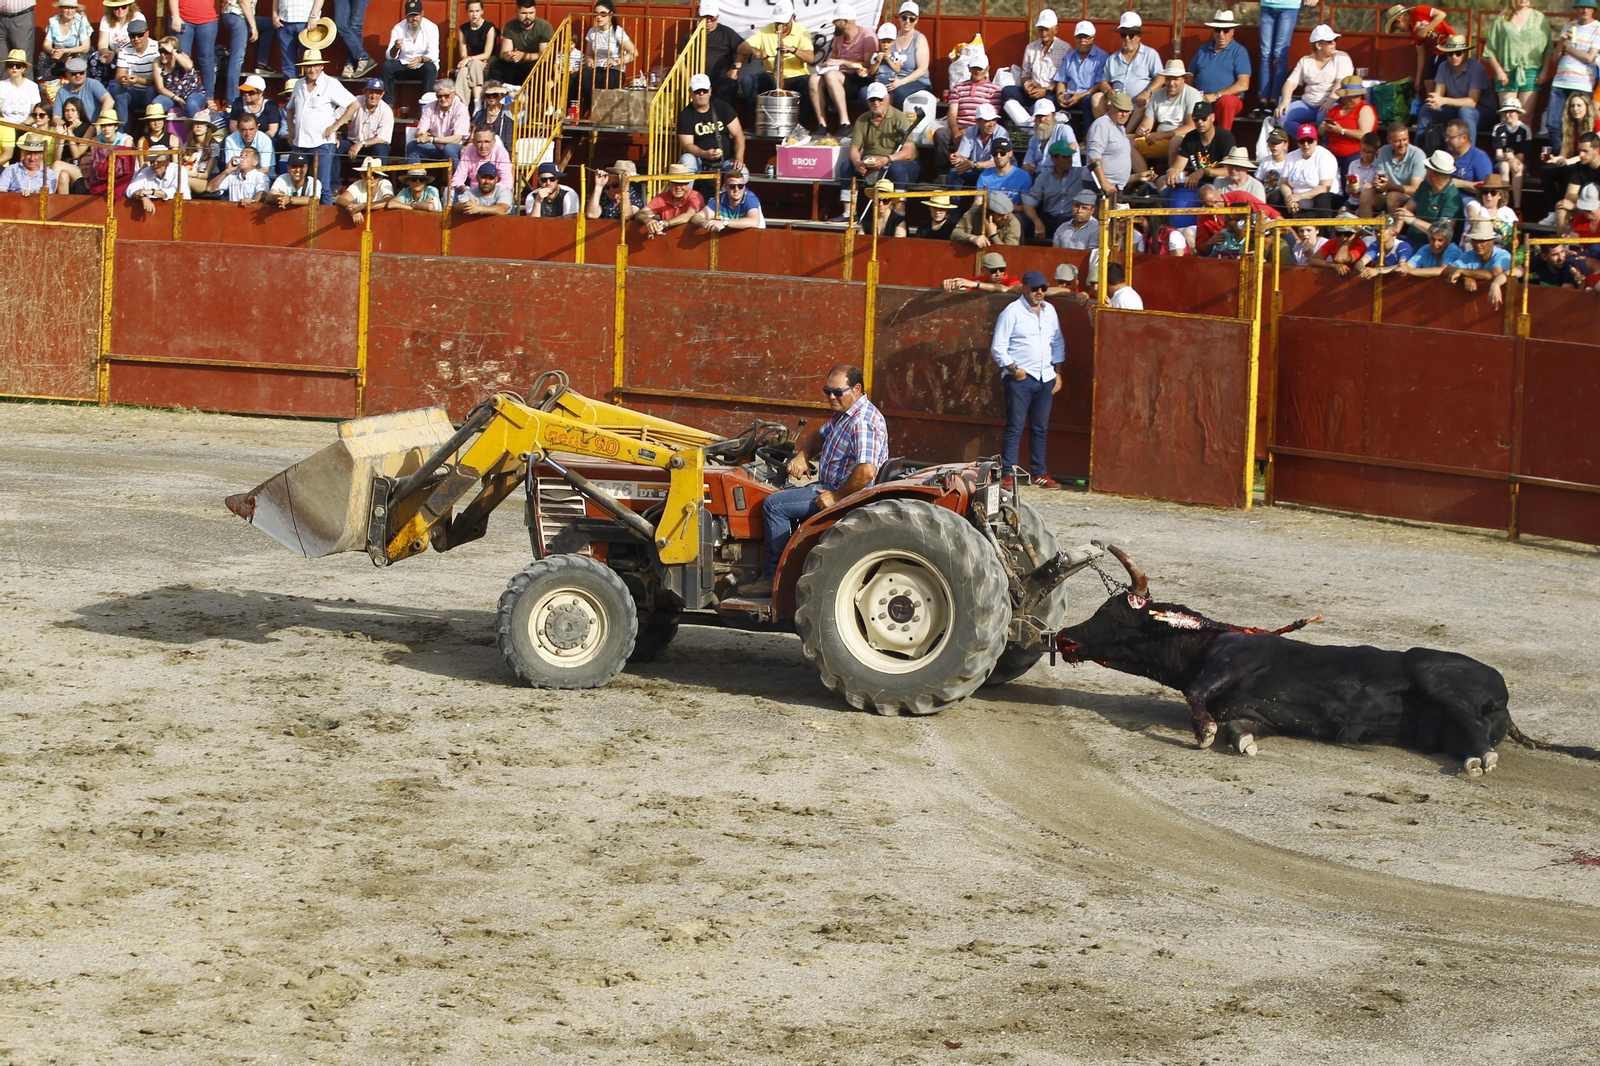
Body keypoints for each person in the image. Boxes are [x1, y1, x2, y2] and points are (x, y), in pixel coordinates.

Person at [735, 363, 887, 598]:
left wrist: (836, 497)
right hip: (829, 487)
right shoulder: (844, 414)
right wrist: (803, 456)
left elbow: (866, 471)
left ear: (857, 389)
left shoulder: (861, 421)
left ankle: (772, 578)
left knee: (774, 505)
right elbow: (819, 435)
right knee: (784, 496)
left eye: (838, 392)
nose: (832, 397)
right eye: (827, 392)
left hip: (844, 494)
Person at [991, 270, 1065, 490]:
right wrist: (1014, 369)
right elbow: (998, 346)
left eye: (1043, 288)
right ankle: (1007, 473)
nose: (1040, 292)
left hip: (1045, 375)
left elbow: (1057, 342)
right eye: (1035, 288)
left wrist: (1058, 371)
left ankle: (1039, 472)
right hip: (1021, 377)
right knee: (1015, 426)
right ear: (1025, 288)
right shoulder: (1012, 311)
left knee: (1040, 427)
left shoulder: (1050, 311)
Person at [833, 81, 916, 219]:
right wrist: (858, 162)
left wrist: (887, 159)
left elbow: (908, 152)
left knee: (897, 167)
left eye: (879, 99)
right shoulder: (862, 120)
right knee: (847, 165)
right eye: (872, 100)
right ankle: (849, 213)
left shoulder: (900, 118)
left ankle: (899, 214)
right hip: (871, 162)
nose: (876, 103)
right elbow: (854, 148)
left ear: (887, 98)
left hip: (898, 162)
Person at [286, 47, 356, 203]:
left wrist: (335, 127)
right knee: (298, 184)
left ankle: (324, 219)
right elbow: (290, 109)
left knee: (322, 185)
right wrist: (291, 130)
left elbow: (354, 104)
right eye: (309, 66)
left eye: (315, 65)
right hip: (300, 142)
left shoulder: (331, 83)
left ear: (321, 66)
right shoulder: (298, 84)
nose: (312, 69)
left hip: (322, 143)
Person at [1482, 0, 1551, 123]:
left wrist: (1545, 70)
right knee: (1506, 115)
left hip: (1531, 70)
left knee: (1525, 116)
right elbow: (1489, 50)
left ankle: (1524, 142)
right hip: (1506, 71)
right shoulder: (1502, 19)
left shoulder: (1539, 18)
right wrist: (1499, 71)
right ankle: (1505, 142)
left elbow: (1548, 48)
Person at [934, 53, 1000, 179]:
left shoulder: (994, 90)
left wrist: (969, 130)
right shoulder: (959, 87)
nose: (978, 71)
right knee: (941, 134)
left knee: (973, 136)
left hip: (981, 126)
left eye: (981, 68)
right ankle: (943, 173)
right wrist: (955, 131)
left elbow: (993, 115)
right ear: (969, 68)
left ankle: (966, 170)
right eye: (975, 67)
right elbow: (952, 112)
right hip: (959, 124)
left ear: (987, 69)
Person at [735, 1, 812, 109]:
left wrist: (793, 50)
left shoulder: (801, 31)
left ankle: (800, 122)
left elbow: (810, 58)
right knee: (748, 81)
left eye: (785, 22)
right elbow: (742, 48)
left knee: (808, 82)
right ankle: (758, 120)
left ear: (793, 17)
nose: (781, 25)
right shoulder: (766, 30)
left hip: (795, 77)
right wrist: (755, 51)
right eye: (778, 22)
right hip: (772, 75)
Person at [1545, 0, 1600, 149]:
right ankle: (1560, 160)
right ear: (1576, 8)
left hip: (1582, 82)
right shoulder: (1569, 26)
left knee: (1582, 125)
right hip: (1560, 81)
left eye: (1589, 7)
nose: (1585, 10)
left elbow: (1590, 57)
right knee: (1552, 124)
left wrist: (1568, 49)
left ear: (1594, 9)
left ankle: (1580, 159)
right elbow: (1556, 58)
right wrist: (1563, 40)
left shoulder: (1597, 28)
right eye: (1582, 6)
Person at [810, 10, 874, 134]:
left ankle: (845, 123)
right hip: (839, 75)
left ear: (845, 22)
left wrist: (843, 62)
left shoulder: (867, 35)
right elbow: (834, 59)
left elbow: (869, 64)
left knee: (831, 75)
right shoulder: (838, 38)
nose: (834, 24)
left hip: (859, 76)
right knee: (814, 78)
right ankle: (822, 124)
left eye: (835, 21)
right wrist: (828, 64)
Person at [1000, 8, 1068, 126]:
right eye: (1040, 29)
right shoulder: (1031, 48)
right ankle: (1027, 124)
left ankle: (1025, 124)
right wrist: (1027, 84)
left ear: (1055, 30)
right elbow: (1025, 74)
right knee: (1007, 91)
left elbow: (1065, 80)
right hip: (1033, 91)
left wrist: (1046, 89)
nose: (1043, 33)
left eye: (1047, 29)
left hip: (1051, 94)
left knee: (1037, 108)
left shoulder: (1065, 49)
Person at [1276, 25, 1351, 132]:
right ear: (1319, 45)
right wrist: (1285, 101)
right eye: (1329, 41)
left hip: (1332, 102)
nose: (1334, 43)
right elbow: (1291, 83)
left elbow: (1341, 82)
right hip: (1307, 103)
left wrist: (1330, 101)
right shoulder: (1305, 61)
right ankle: (1307, 140)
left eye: (1335, 40)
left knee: (1326, 119)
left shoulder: (1342, 57)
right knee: (1281, 117)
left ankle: (1323, 146)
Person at [1418, 35, 1489, 144]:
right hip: (1456, 111)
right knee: (1426, 109)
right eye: (1450, 53)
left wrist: (1444, 100)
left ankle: (1468, 153)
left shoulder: (1476, 68)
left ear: (1465, 53)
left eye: (1458, 53)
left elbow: (1472, 102)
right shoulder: (1443, 66)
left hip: (1482, 113)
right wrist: (1434, 102)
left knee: (1465, 111)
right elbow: (1438, 97)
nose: (1454, 56)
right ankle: (1419, 150)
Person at [1188, 9, 1250, 131]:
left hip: (1227, 100)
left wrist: (1216, 96)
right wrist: (1193, 94)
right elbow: (1190, 76)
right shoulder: (1202, 50)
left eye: (1225, 30)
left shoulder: (1239, 51)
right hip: (1202, 98)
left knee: (1226, 102)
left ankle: (1223, 141)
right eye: (1217, 30)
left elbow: (1243, 84)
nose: (1221, 34)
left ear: (1232, 32)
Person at [1103, 11, 1163, 130]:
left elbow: (1161, 78)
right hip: (1116, 102)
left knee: (1146, 102)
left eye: (1131, 35)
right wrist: (1108, 91)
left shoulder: (1150, 54)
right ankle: (1108, 131)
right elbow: (1104, 81)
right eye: (1123, 35)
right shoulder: (1112, 59)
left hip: (1138, 102)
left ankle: (1125, 134)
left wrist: (1148, 91)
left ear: (1139, 36)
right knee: (1096, 99)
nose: (1127, 38)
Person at [571, 0, 633, 116]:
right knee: (574, 77)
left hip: (614, 71)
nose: (599, 17)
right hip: (596, 69)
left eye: (603, 14)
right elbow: (589, 54)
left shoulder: (617, 31)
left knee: (587, 78)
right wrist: (589, 61)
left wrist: (617, 61)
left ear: (610, 15)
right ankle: (572, 112)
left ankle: (587, 112)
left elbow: (633, 52)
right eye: (596, 14)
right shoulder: (592, 32)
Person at [1132, 58, 1199, 164]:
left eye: (1175, 79)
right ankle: (1145, 177)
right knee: (1125, 141)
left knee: (1175, 141)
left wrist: (1163, 135)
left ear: (1183, 79)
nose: (1171, 83)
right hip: (1158, 139)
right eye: (1168, 78)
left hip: (1182, 141)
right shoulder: (1157, 94)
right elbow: (1147, 123)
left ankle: (1171, 177)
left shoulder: (1192, 95)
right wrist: (1142, 130)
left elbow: (1192, 126)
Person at [1381, 4, 1456, 95]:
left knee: (1446, 82)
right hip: (1438, 51)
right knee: (1428, 82)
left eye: (1397, 27)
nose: (1400, 30)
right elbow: (1421, 55)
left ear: (1399, 20)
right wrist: (1418, 79)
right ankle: (1431, 105)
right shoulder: (1414, 32)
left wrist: (1426, 29)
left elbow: (1441, 14)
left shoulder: (1419, 11)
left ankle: (1441, 103)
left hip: (1451, 46)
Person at [677, 71, 743, 174]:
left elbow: (738, 135)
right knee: (687, 159)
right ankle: (687, 190)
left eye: (705, 90)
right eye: (697, 91)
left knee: (743, 173)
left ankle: (725, 190)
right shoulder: (686, 115)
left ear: (710, 91)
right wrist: (705, 154)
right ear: (690, 92)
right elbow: (687, 145)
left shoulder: (722, 107)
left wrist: (739, 159)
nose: (701, 94)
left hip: (725, 162)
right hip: (699, 160)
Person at [1020, 139, 1086, 240]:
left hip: (1072, 218)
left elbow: (1096, 168)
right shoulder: (1044, 177)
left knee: (1063, 222)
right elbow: (1028, 205)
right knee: (1022, 221)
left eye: (1070, 156)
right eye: (1065, 157)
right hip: (1050, 219)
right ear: (1054, 160)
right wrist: (1037, 222)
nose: (1070, 159)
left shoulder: (1081, 173)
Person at [1396, 148, 1464, 243]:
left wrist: (1413, 220)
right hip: (1410, 240)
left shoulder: (1452, 198)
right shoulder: (1425, 184)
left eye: (1426, 167)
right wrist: (1395, 234)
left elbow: (1443, 232)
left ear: (1432, 173)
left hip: (1431, 247)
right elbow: (1406, 210)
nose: (1425, 170)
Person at [870, 0, 929, 108]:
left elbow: (922, 69)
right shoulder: (892, 38)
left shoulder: (919, 39)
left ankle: (894, 121)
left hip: (916, 81)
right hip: (890, 79)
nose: (907, 21)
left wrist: (901, 82)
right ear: (899, 18)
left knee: (899, 93)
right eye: (904, 17)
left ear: (916, 20)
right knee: (866, 92)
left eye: (912, 19)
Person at [1362, 121, 1426, 216]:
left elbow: (1415, 189)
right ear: (1388, 139)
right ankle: (1366, 228)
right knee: (1366, 194)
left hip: (1410, 199)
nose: (1402, 144)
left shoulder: (1418, 155)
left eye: (1405, 139)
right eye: (1397, 141)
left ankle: (1393, 230)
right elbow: (1381, 179)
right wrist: (1379, 185)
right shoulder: (1384, 151)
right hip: (1387, 193)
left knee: (1393, 196)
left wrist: (1390, 186)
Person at [1051, 20, 1108, 127]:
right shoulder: (1069, 57)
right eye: (1079, 37)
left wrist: (1080, 96)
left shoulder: (1102, 57)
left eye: (1086, 37)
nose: (1082, 41)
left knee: (1088, 101)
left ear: (1093, 39)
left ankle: (1086, 136)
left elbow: (1099, 84)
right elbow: (1061, 80)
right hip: (1069, 96)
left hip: (1086, 96)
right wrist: (1060, 95)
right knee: (1048, 101)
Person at [1444, 218, 1511, 307]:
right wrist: (1465, 277)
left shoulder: (1503, 255)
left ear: (1492, 241)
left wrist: (1461, 271)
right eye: (1475, 240)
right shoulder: (1468, 254)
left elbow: (1494, 274)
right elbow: (1447, 270)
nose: (1478, 244)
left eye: (1483, 241)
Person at [382, 0, 438, 104]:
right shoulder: (398, 28)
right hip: (404, 66)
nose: (414, 18)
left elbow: (433, 54)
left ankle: (426, 106)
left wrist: (420, 59)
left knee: (430, 67)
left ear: (422, 14)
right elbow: (389, 56)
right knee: (387, 66)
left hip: (421, 66)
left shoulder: (431, 28)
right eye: (411, 15)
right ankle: (388, 104)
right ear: (406, 16)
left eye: (417, 15)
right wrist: (396, 48)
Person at [1169, 100, 1233, 188]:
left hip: (1218, 182)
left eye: (1204, 118)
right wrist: (1172, 171)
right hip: (1197, 182)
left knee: (1220, 181)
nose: (1200, 122)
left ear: (1212, 117)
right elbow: (1178, 166)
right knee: (1162, 181)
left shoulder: (1225, 137)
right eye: (1196, 118)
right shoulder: (1190, 137)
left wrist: (1204, 171)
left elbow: (1229, 170)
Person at [407, 78, 467, 168]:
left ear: (454, 94)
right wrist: (421, 135)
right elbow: (421, 131)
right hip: (435, 147)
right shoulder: (429, 108)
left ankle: (457, 181)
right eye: (439, 96)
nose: (442, 99)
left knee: (449, 149)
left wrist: (431, 139)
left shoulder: (461, 109)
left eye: (446, 95)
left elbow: (456, 139)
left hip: (455, 146)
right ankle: (415, 177)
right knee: (412, 146)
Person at [1320, 76, 1375, 176]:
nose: (1348, 99)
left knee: (1349, 165)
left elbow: (1364, 135)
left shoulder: (1365, 109)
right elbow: (1320, 131)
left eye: (1352, 96)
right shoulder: (1336, 109)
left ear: (1360, 96)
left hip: (1355, 154)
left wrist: (1341, 131)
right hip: (1332, 152)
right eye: (1346, 96)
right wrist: (1326, 127)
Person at [488, 0, 550, 88]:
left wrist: (524, 56)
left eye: (531, 13)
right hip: (516, 64)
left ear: (535, 10)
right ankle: (494, 95)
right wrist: (508, 55)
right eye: (524, 13)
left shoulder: (544, 26)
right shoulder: (510, 26)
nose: (528, 16)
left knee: (538, 67)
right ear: (516, 11)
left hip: (534, 64)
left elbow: (545, 56)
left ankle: (533, 99)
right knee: (496, 64)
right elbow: (503, 52)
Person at [168, 0, 218, 105]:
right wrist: (175, 16)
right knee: (182, 58)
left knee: (207, 58)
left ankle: (209, 97)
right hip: (183, 18)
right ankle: (182, 96)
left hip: (208, 19)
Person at [634, 162, 704, 238]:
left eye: (682, 183)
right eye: (675, 183)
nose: (678, 187)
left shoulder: (695, 196)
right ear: (669, 183)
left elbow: (689, 215)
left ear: (688, 184)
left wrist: (665, 223)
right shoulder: (662, 197)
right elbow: (640, 213)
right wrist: (648, 221)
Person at [1085, 90, 1134, 197]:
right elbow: (1094, 158)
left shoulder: (1120, 127)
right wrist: (1104, 183)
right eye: (1120, 110)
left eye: (1127, 111)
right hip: (1099, 188)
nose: (1124, 114)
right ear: (1110, 107)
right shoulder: (1102, 124)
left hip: (1114, 188)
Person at [696, 0, 744, 107]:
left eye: (712, 18)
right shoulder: (692, 35)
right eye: (705, 18)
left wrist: (735, 68)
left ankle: (721, 121)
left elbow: (744, 49)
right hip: (698, 78)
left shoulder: (726, 33)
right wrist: (687, 79)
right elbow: (680, 59)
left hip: (720, 77)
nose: (708, 22)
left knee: (728, 86)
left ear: (717, 17)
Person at [340, 77, 390, 177]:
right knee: (332, 147)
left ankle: (378, 181)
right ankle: (334, 186)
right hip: (352, 142)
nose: (374, 96)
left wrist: (361, 143)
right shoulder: (356, 102)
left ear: (382, 94)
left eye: (378, 93)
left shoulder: (386, 111)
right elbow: (335, 117)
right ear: (365, 92)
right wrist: (334, 137)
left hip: (372, 145)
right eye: (371, 92)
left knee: (381, 148)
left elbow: (383, 138)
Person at [1258, 0, 1302, 111]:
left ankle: (1275, 99)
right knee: (1265, 53)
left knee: (1280, 54)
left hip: (1289, 6)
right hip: (1267, 5)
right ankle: (1263, 100)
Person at [945, 100, 1000, 189]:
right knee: (955, 172)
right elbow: (963, 155)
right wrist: (957, 158)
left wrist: (973, 164)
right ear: (978, 121)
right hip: (977, 170)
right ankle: (953, 202)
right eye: (987, 120)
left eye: (994, 120)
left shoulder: (1001, 133)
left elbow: (998, 162)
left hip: (996, 173)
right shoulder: (970, 131)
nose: (991, 124)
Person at [0, 47, 39, 163]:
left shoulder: (32, 87)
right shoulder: (2, 85)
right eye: (11, 65)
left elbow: (35, 113)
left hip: (25, 127)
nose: (14, 68)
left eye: (18, 65)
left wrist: (22, 125)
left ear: (24, 68)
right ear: (7, 68)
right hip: (5, 127)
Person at [37, 0, 92, 81]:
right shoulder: (53, 21)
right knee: (43, 55)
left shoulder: (80, 21)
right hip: (58, 52)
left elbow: (85, 47)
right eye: (67, 8)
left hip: (75, 52)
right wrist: (54, 52)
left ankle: (81, 84)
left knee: (81, 57)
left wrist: (66, 51)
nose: (70, 11)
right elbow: (46, 45)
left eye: (72, 8)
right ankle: (45, 84)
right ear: (61, 8)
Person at [697, 165, 764, 232]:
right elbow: (697, 217)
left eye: (740, 186)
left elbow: (754, 222)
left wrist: (724, 223)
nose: (736, 189)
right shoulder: (719, 199)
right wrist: (704, 223)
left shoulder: (750, 198)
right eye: (732, 186)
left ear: (744, 187)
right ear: (726, 187)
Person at [454, 0, 494, 110]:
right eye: (471, 11)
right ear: (467, 12)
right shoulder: (464, 29)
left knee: (475, 63)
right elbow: (463, 53)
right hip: (472, 64)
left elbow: (487, 54)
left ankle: (477, 104)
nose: (474, 14)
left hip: (486, 64)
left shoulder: (489, 27)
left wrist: (469, 59)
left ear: (482, 11)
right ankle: (462, 107)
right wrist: (468, 60)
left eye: (477, 11)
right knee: (463, 71)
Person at [1491, 101, 1530, 209]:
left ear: (1518, 113)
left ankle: (1517, 207)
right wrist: (1508, 158)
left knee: (1518, 167)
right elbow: (1498, 155)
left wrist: (1511, 158)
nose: (1508, 115)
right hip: (1501, 162)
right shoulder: (1498, 128)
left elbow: (1521, 157)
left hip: (1518, 162)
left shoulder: (1525, 130)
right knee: (1504, 166)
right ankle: (1504, 204)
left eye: (1511, 112)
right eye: (1505, 112)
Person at [1022, 98, 1077, 173]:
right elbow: (1025, 163)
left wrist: (1061, 159)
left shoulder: (1064, 129)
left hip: (1064, 174)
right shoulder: (1034, 139)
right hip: (1040, 177)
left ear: (1054, 116)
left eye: (1046, 115)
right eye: (1038, 116)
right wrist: (1027, 166)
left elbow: (1073, 146)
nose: (1042, 119)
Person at [451, 122, 509, 191]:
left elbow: (507, 181)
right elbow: (457, 178)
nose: (483, 146)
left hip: (494, 192)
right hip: (472, 193)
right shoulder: (468, 152)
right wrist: (464, 190)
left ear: (494, 142)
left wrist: (491, 192)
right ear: (474, 142)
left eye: (486, 142)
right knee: (448, 192)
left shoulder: (501, 152)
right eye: (479, 142)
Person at [52, 54, 112, 122]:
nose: (78, 75)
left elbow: (109, 101)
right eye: (74, 73)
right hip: (71, 129)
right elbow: (56, 118)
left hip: (94, 128)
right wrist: (64, 127)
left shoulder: (93, 84)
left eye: (81, 72)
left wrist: (99, 123)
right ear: (67, 74)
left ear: (86, 73)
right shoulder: (62, 91)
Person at [952, 189, 1020, 248]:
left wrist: (993, 235)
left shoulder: (1013, 223)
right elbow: (955, 234)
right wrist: (972, 238)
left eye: (1007, 214)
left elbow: (1009, 252)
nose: (1005, 217)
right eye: (1000, 215)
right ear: (989, 213)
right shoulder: (974, 213)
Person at [1466, 173, 1518, 247]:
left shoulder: (1507, 212)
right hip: (1475, 246)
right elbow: (1472, 218)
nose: (1488, 195)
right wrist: (1496, 224)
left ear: (1500, 195)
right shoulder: (1475, 204)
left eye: (1493, 192)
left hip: (1500, 249)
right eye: (1485, 192)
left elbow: (1514, 236)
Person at [125, 147, 190, 206]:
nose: (155, 166)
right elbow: (130, 189)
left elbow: (175, 192)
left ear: (168, 161)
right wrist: (143, 197)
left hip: (182, 210)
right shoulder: (146, 171)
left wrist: (151, 192)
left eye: (159, 162)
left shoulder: (179, 170)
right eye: (152, 162)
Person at [1444, 118, 1492, 196]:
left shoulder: (1480, 157)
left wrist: (1460, 184)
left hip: (1467, 200)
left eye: (1451, 137)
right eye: (1446, 136)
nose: (1446, 140)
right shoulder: (1446, 155)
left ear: (1464, 138)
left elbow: (1487, 187)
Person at [336, 152, 390, 220]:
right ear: (361, 175)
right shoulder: (358, 184)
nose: (371, 177)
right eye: (367, 174)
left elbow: (388, 201)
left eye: (375, 175)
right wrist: (353, 209)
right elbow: (341, 199)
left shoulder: (385, 183)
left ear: (379, 177)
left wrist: (363, 206)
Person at [941, 249, 1020, 292]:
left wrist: (977, 285)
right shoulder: (979, 280)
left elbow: (1009, 289)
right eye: (993, 270)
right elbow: (960, 286)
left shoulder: (1012, 281)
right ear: (983, 271)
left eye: (1002, 269)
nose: (998, 274)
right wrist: (946, 284)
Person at [473, 80, 512, 152]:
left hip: (503, 151)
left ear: (501, 95)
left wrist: (505, 91)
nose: (491, 98)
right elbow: (473, 136)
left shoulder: (507, 110)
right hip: (483, 150)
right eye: (488, 95)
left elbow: (522, 100)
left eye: (495, 94)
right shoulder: (480, 114)